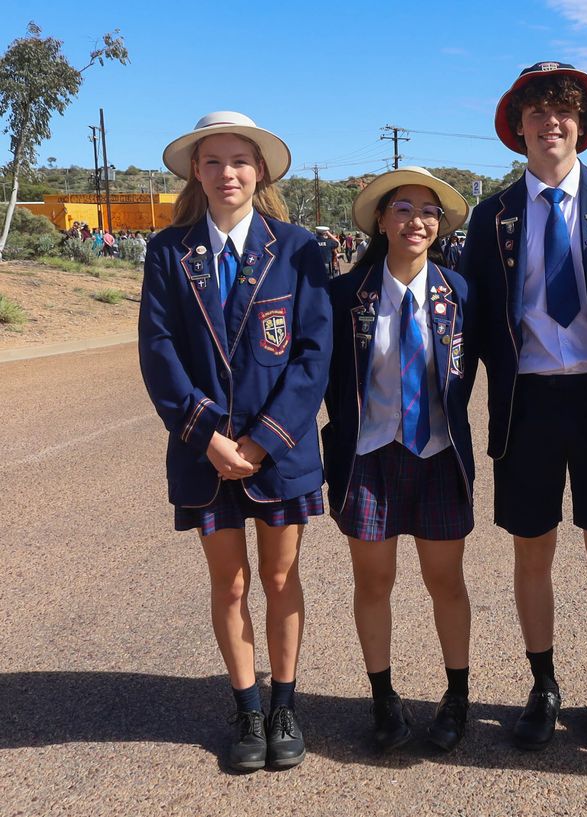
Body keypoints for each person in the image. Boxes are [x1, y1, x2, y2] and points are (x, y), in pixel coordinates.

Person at [459, 61, 587, 753]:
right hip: (529, 400)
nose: (551, 121)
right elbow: (478, 313)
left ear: (582, 125)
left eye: (564, 110)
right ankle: (542, 684)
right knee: (532, 549)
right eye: (537, 111)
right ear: (517, 128)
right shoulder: (491, 216)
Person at [138, 111, 332, 773]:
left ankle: (285, 707)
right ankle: (248, 709)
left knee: (279, 577)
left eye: (240, 161)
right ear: (196, 170)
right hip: (205, 452)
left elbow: (313, 354)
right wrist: (208, 437)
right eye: (214, 161)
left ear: (261, 171)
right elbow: (159, 350)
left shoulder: (298, 248)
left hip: (279, 450)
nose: (228, 173)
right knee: (229, 584)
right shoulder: (169, 251)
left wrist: (263, 441)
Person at [321, 166, 475, 753]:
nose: (417, 220)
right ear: (381, 220)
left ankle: (456, 696)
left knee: (446, 581)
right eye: (404, 209)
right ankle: (383, 698)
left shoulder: (459, 294)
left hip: (437, 453)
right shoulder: (345, 296)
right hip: (369, 457)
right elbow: (327, 378)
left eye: (429, 211)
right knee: (373, 581)